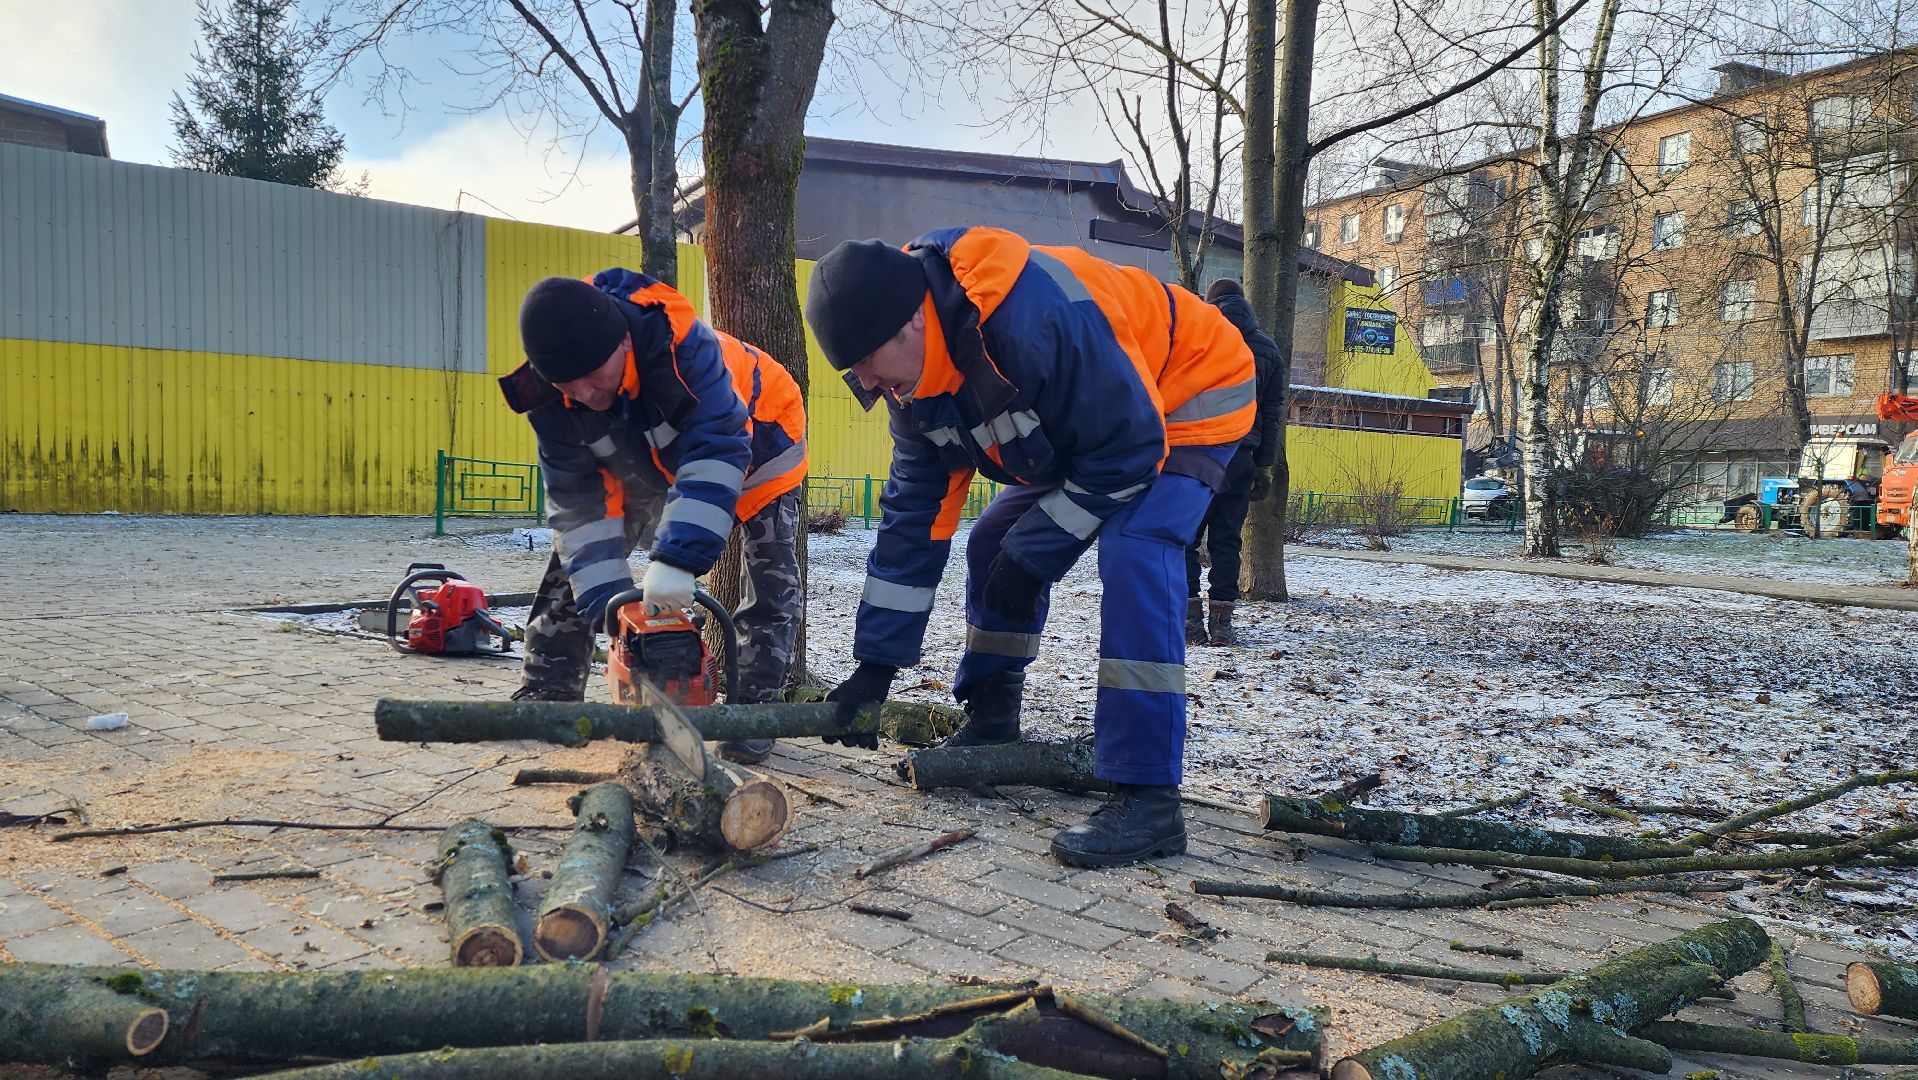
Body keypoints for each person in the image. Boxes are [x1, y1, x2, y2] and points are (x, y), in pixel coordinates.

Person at [803, 228, 1254, 868]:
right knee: (993, 542)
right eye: (856, 375)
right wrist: (876, 668)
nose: (870, 386)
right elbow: (913, 520)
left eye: (869, 365)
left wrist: (1037, 552)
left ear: (910, 325)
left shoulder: (1029, 323)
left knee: (1136, 549)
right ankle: (992, 721)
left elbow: (1130, 452)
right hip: (1098, 427)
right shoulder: (913, 390)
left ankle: (1149, 796)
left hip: (1194, 391)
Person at [498, 270, 807, 764]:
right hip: (648, 452)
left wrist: (679, 558)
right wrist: (614, 608)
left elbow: (716, 447)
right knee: (574, 559)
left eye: (594, 376)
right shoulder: (551, 397)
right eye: (566, 385)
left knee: (770, 576)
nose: (583, 395)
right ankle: (548, 692)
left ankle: (753, 713)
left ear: (623, 340)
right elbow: (579, 506)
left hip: (762, 432)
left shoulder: (682, 350)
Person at [1184, 278, 1285, 647]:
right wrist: (1265, 464)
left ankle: (1190, 621)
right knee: (1227, 540)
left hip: (1195, 452)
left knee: (1186, 539)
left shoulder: (1198, 335)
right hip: (1241, 456)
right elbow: (1273, 413)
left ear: (1212, 302)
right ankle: (1223, 625)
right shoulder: (1267, 349)